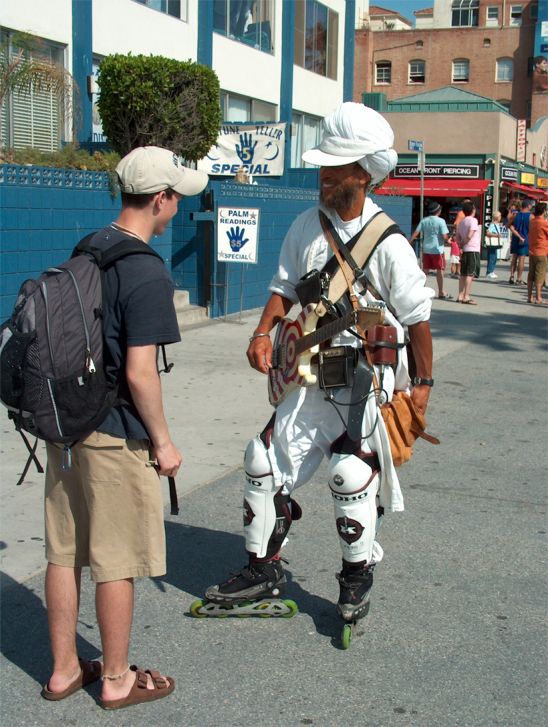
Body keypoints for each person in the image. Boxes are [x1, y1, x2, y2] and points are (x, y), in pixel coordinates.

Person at [204, 103, 435, 625]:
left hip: (363, 377)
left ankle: (356, 577)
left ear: (365, 173)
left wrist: (422, 384)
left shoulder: (391, 243)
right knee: (261, 459)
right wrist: (263, 331)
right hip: (307, 374)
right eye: (323, 166)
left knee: (351, 471)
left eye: (336, 167)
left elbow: (418, 319)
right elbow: (284, 289)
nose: (324, 175)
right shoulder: (306, 226)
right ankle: (261, 566)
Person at [42, 146, 208, 710]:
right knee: (116, 558)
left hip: (64, 426)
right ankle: (116, 678)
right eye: (176, 197)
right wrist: (163, 443)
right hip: (113, 432)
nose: (177, 207)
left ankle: (65, 669)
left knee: (64, 552)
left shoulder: (88, 249)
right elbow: (140, 373)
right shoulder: (143, 270)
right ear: (159, 199)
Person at [409, 201, 452, 299]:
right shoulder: (441, 221)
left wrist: (409, 242)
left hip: (426, 248)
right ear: (438, 211)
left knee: (425, 270)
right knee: (440, 270)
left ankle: (419, 289)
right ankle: (441, 292)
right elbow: (445, 236)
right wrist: (448, 240)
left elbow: (416, 232)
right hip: (437, 249)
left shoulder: (424, 220)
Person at [455, 200, 480, 304]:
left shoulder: (462, 222)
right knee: (470, 274)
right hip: (472, 249)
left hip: (465, 250)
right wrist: (464, 242)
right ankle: (466, 296)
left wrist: (460, 244)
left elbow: (457, 236)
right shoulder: (473, 221)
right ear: (473, 210)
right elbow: (470, 235)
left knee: (463, 274)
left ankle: (460, 295)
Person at [527, 201, 548, 304]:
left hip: (532, 251)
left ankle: (529, 297)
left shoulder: (532, 221)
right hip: (542, 250)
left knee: (531, 274)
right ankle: (538, 297)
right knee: (540, 275)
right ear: (544, 211)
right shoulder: (544, 223)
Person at [509, 199, 533, 285]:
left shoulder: (515, 215)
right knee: (522, 259)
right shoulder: (531, 216)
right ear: (528, 206)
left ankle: (512, 276)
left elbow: (510, 225)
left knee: (514, 257)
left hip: (515, 238)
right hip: (525, 238)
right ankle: (519, 278)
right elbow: (532, 229)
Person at [485, 211, 507, 279]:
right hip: (492, 244)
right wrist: (496, 235)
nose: (501, 218)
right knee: (492, 257)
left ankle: (491, 271)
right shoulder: (492, 225)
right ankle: (489, 271)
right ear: (497, 217)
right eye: (500, 216)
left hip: (494, 244)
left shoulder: (497, 224)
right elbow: (488, 233)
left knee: (494, 257)